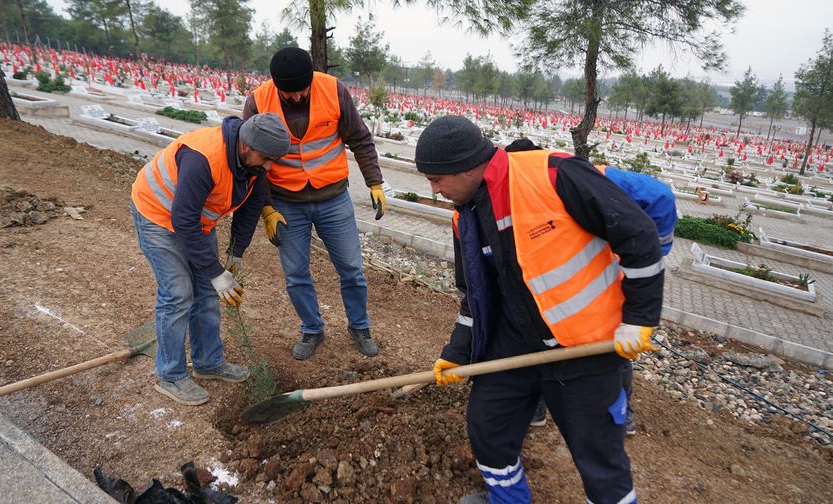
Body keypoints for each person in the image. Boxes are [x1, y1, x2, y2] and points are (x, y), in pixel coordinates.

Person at [415, 117, 664, 504]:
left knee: (599, 457)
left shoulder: (553, 175)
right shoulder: (463, 216)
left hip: (582, 347)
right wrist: (455, 352)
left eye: (436, 179)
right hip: (514, 346)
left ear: (466, 166)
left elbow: (639, 233)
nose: (434, 189)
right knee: (488, 428)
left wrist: (640, 318)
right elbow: (475, 297)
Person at [505, 138, 677, 434]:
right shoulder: (528, 193)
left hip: (620, 268)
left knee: (613, 339)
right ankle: (536, 409)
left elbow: (660, 196)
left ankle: (624, 418)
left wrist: (646, 252)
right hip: (584, 272)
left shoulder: (586, 179)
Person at [130, 113, 290, 405]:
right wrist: (216, 272)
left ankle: (208, 362)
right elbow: (183, 220)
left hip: (196, 220)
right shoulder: (202, 158)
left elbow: (249, 208)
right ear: (246, 146)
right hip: (156, 213)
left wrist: (236, 254)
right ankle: (171, 375)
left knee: (206, 292)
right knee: (178, 294)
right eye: (266, 158)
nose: (269, 166)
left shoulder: (254, 164)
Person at [242, 46, 385, 360]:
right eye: (286, 92)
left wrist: (374, 181)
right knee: (295, 273)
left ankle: (359, 326)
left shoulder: (334, 91)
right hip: (286, 201)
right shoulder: (258, 101)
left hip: (333, 198)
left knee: (351, 268)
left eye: (301, 90)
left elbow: (359, 138)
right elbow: (252, 161)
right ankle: (311, 329)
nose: (294, 97)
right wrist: (266, 209)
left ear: (311, 79)